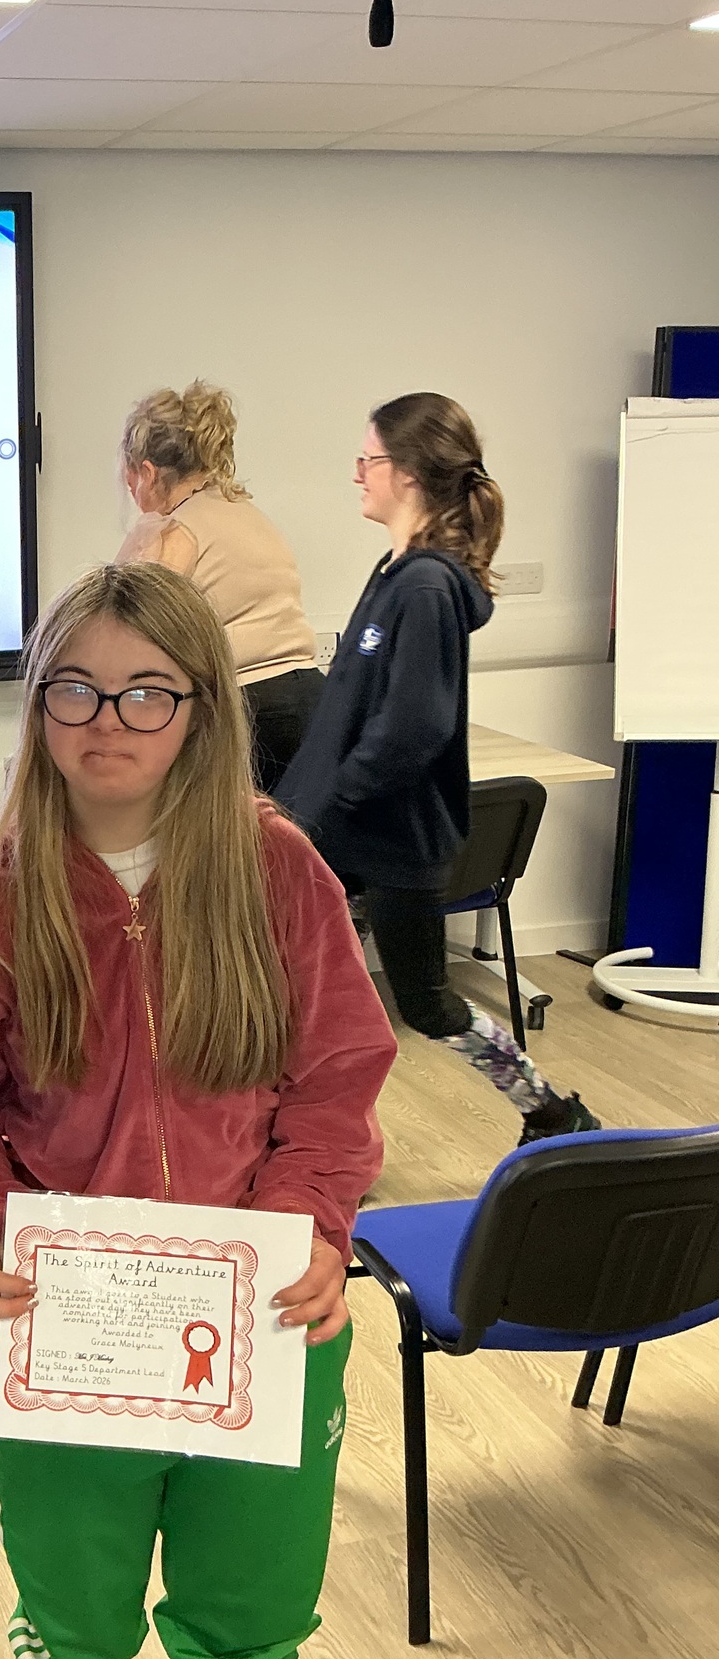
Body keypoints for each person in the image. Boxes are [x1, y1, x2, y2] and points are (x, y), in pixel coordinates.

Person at [0, 563, 398, 1659]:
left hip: (265, 1310)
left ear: (201, 707)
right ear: (37, 705)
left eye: (146, 692)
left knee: (250, 1596)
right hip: (66, 1319)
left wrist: (312, 1223)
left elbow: (337, 1077)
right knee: (70, 1600)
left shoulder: (277, 870)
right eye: (74, 688)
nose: (107, 719)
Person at [277, 392, 598, 1144]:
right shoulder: (395, 572)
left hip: (390, 840)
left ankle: (553, 1113)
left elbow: (413, 729)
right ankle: (305, 1140)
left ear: (410, 473)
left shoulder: (425, 588)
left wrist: (327, 805)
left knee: (425, 1003)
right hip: (341, 833)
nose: (357, 473)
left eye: (369, 459)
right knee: (298, 993)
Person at [117, 382, 322, 795]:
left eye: (130, 478)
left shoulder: (170, 531)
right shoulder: (247, 513)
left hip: (252, 711)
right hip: (313, 699)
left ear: (148, 473)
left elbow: (129, 631)